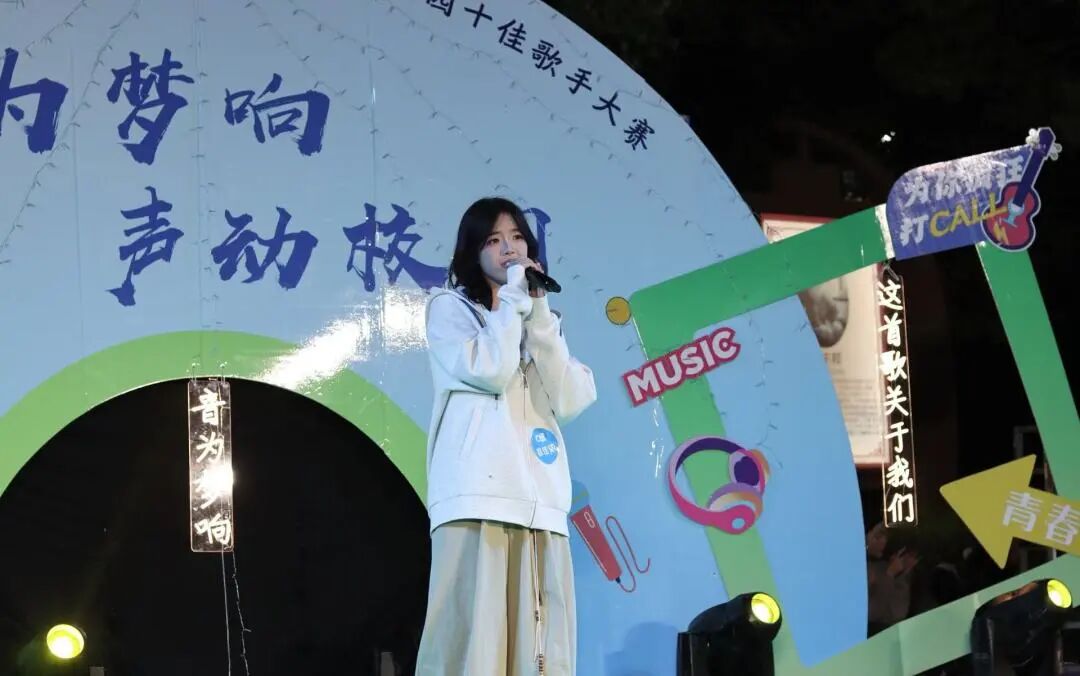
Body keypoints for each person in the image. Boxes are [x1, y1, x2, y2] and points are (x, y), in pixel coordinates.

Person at [415, 197, 598, 675]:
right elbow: (491, 370)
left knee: (541, 650)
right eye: (494, 240)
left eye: (517, 238)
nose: (509, 249)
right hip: (477, 500)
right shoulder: (449, 310)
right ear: (473, 252)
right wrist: (515, 302)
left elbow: (572, 397)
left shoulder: (536, 320)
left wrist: (540, 316)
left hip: (541, 504)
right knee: (474, 645)